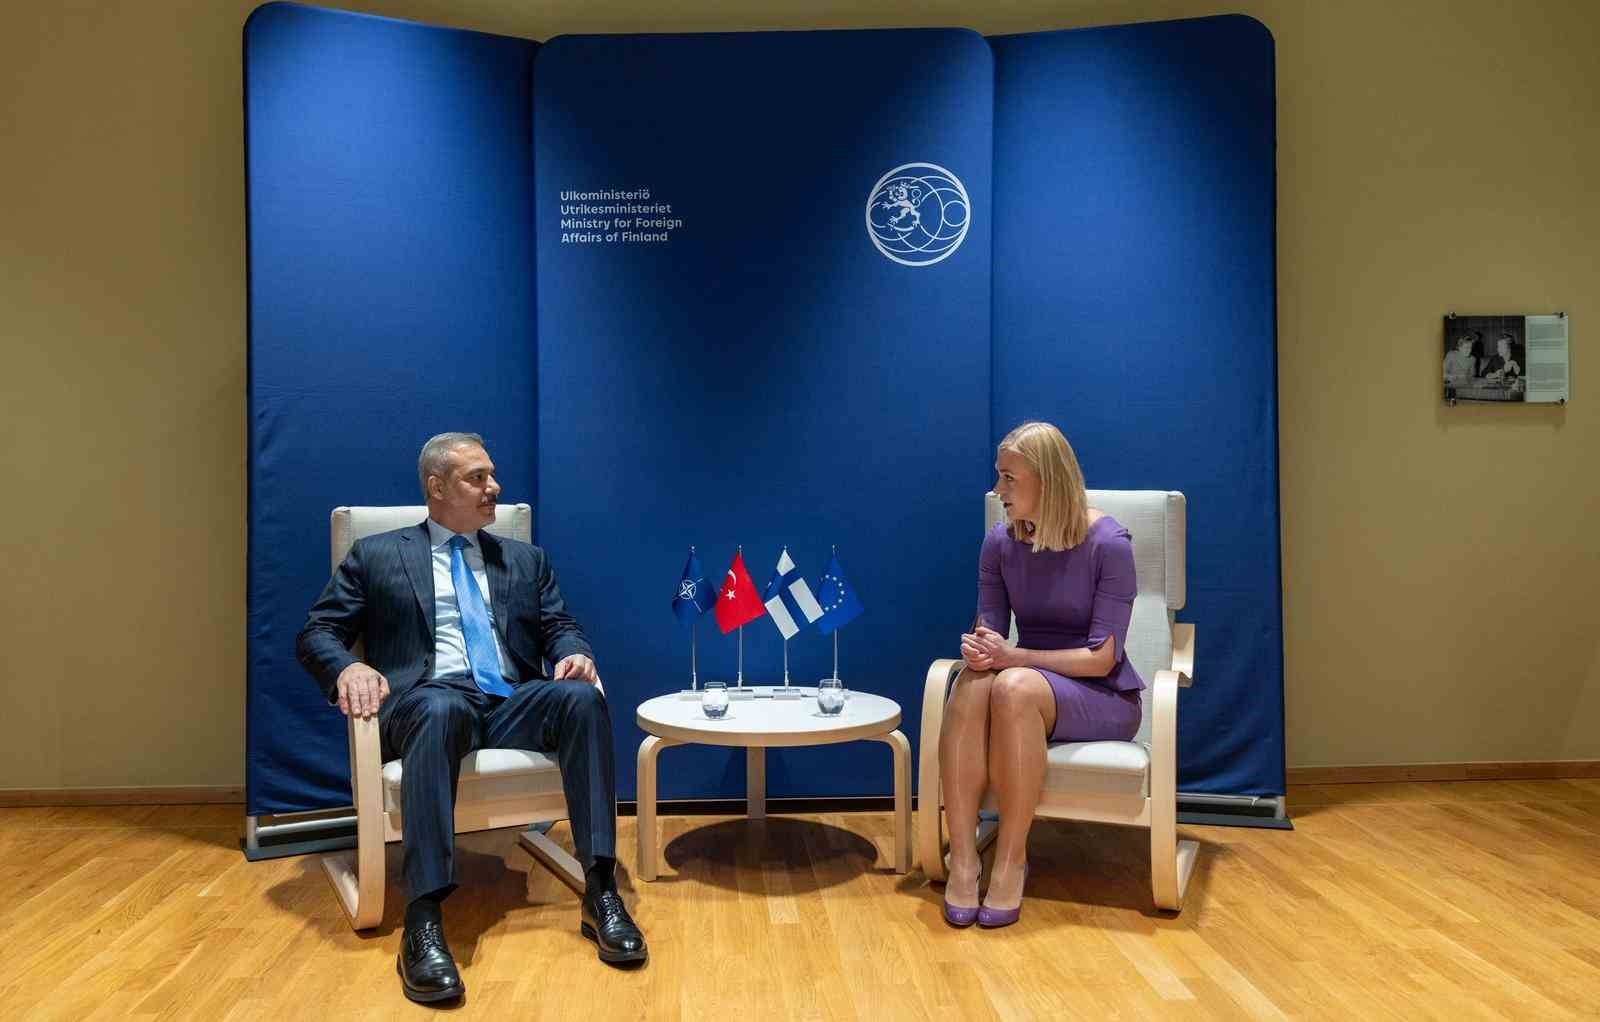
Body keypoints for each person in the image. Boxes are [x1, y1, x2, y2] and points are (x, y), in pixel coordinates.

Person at [297, 432, 645, 1003]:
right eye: (477, 478)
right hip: (427, 700)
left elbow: (559, 625)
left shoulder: (525, 560)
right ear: (437, 487)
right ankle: (424, 917)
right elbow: (318, 632)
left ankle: (601, 890)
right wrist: (348, 668)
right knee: (440, 707)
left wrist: (574, 652)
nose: (494, 488)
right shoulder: (375, 555)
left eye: (492, 475)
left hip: (509, 700)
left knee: (582, 699)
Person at [940, 421, 1144, 929]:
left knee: (1013, 685)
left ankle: (1011, 862)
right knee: (970, 683)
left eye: (1009, 478)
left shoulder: (1109, 543)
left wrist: (1014, 658)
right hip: (1026, 680)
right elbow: (990, 627)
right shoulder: (999, 542)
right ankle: (963, 860)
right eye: (999, 476)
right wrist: (981, 649)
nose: (997, 490)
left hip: (1100, 694)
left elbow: (1102, 659)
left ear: (1047, 481)